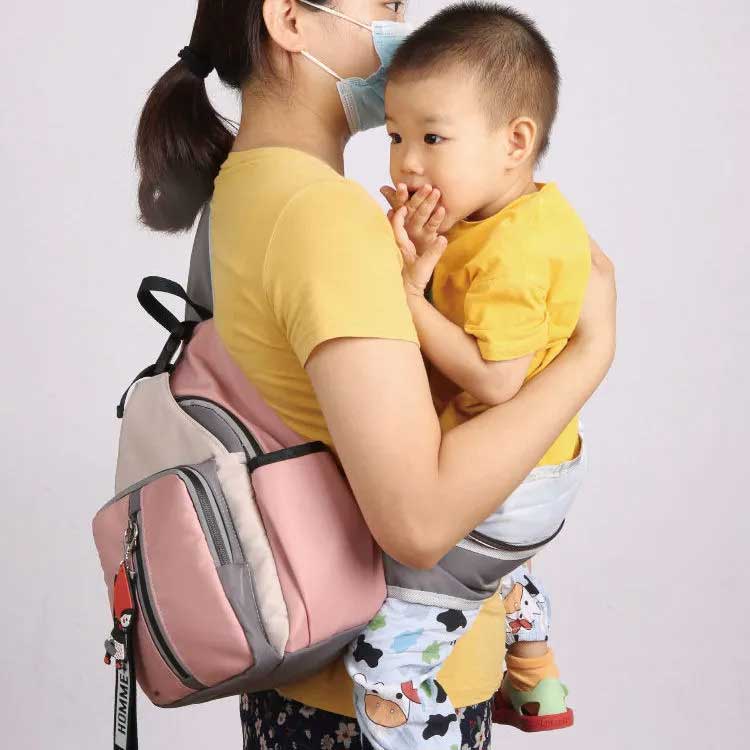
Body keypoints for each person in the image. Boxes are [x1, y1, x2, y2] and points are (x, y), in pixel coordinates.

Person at [134, 2, 616, 748]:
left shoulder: (246, 186)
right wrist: (591, 352)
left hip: (302, 673)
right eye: (385, 4)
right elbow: (418, 525)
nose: (400, 23)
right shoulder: (324, 216)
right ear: (290, 20)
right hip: (388, 700)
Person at [340, 4, 590, 745]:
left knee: (383, 662)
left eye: (433, 138)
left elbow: (497, 380)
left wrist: (407, 298)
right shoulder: (495, 220)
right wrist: (426, 257)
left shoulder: (518, 249)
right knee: (470, 566)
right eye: (395, 137)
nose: (407, 163)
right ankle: (525, 633)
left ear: (516, 142)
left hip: (511, 488)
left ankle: (437, 713)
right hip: (524, 467)